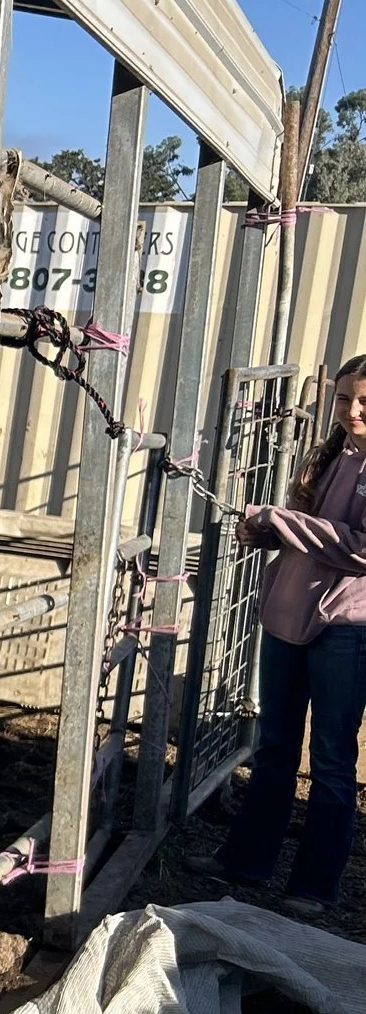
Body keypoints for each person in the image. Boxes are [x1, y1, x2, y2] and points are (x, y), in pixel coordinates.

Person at [189, 354, 366, 919]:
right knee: (274, 748)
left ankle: (314, 887)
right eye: (343, 399)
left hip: (345, 631)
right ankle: (247, 860)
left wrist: (280, 520)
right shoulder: (331, 454)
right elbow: (314, 536)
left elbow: (360, 547)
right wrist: (268, 530)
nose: (352, 411)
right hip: (287, 617)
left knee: (333, 760)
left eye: (364, 401)